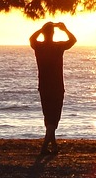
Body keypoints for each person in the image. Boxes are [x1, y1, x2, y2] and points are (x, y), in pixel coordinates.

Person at [29, 21, 78, 154]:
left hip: (44, 86)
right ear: (53, 33)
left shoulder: (39, 46)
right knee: (54, 118)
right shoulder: (58, 47)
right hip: (57, 86)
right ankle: (45, 146)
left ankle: (54, 146)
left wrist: (42, 28)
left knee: (48, 117)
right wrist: (65, 28)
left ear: (44, 33)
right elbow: (73, 40)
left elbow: (31, 38)